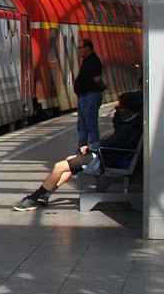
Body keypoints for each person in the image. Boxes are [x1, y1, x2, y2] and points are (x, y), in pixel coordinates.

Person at [12, 90, 142, 211]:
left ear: (127, 108)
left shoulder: (129, 126)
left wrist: (90, 147)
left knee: (59, 166)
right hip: (112, 156)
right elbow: (117, 139)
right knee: (70, 160)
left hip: (106, 160)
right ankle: (46, 194)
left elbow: (113, 142)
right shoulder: (135, 122)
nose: (119, 110)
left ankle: (33, 198)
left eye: (120, 108)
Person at [73, 38, 105, 153]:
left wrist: (103, 86)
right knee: (82, 127)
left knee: (90, 126)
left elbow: (97, 79)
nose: (78, 51)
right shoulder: (87, 61)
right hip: (84, 98)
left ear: (88, 48)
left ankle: (93, 152)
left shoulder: (93, 60)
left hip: (90, 97)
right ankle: (81, 152)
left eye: (80, 48)